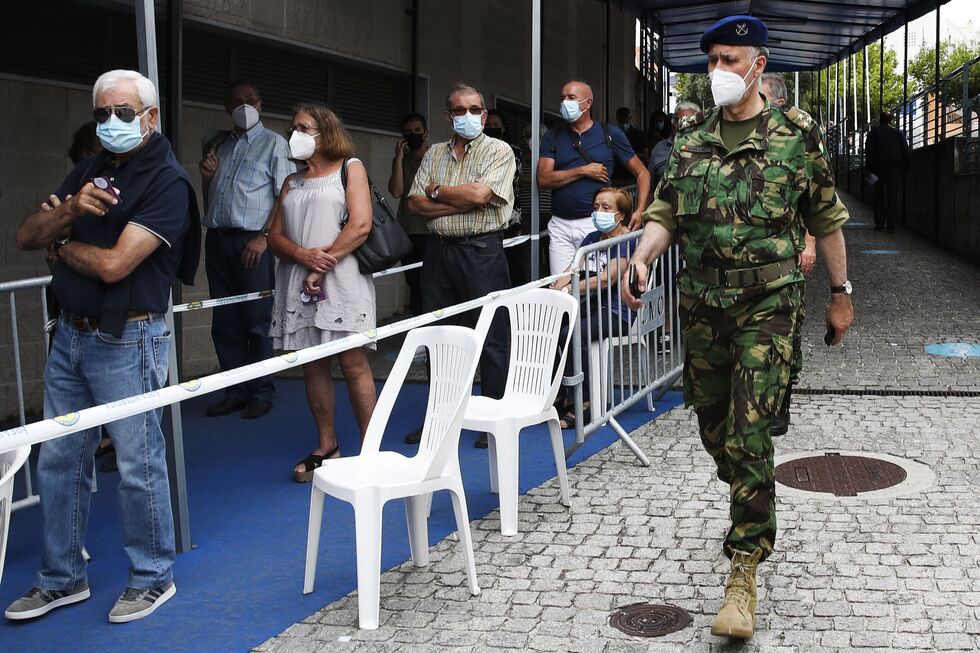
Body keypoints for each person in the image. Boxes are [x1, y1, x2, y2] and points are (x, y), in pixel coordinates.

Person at [622, 16, 855, 640]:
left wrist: (840, 293)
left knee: (750, 433)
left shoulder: (796, 135)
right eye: (712, 60)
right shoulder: (692, 138)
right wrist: (642, 256)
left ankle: (744, 567)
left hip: (768, 305)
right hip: (701, 307)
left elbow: (827, 218)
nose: (716, 71)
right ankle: (751, 494)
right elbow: (667, 209)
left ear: (758, 64)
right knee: (715, 428)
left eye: (728, 59)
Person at [6, 69, 200, 623]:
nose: (110, 123)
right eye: (101, 114)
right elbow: (26, 236)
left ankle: (151, 576)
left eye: (122, 112)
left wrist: (61, 239)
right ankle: (61, 577)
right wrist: (68, 214)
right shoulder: (91, 169)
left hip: (129, 338)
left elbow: (116, 264)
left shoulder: (167, 181)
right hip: (70, 335)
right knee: (61, 459)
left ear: (150, 116)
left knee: (139, 462)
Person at [266, 104, 378, 482]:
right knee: (313, 366)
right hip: (298, 283)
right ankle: (326, 444)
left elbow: (361, 226)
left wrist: (319, 262)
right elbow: (275, 236)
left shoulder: (350, 168)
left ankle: (371, 448)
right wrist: (302, 256)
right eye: (293, 126)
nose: (295, 133)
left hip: (341, 280)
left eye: (304, 127)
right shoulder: (291, 182)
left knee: (353, 363)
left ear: (325, 132)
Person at [407, 83, 516, 450]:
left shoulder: (498, 151)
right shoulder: (434, 153)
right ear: (447, 115)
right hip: (439, 253)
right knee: (440, 338)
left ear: (484, 115)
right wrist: (457, 202)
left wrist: (438, 192)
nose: (467, 116)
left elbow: (480, 195)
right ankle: (441, 419)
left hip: (481, 251)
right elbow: (414, 203)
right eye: (459, 110)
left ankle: (492, 420)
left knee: (491, 337)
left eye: (474, 109)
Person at [199, 81, 295, 420]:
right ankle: (235, 390)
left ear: (261, 102)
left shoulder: (274, 144)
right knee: (224, 321)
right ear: (227, 107)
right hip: (218, 238)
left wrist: (264, 237)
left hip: (252, 240)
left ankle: (262, 391)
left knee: (256, 319)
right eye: (237, 101)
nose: (244, 105)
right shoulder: (220, 145)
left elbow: (286, 194)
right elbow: (211, 196)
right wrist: (207, 177)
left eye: (250, 99)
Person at [537, 80, 650, 276]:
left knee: (595, 287)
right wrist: (583, 171)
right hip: (560, 225)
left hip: (596, 223)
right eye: (562, 98)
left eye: (571, 98)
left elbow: (642, 173)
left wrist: (639, 211)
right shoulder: (553, 136)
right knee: (561, 285)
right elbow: (543, 179)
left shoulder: (609, 134)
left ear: (588, 103)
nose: (565, 102)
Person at [549, 186, 634, 428]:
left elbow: (608, 278)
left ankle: (585, 402)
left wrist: (568, 290)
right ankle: (560, 395)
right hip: (590, 307)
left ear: (622, 215)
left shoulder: (626, 241)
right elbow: (572, 269)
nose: (599, 212)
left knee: (571, 335)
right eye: (596, 207)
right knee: (552, 328)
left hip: (616, 312)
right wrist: (556, 286)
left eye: (606, 208)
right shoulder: (592, 239)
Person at [761, 72, 817, 436]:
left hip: (790, 251)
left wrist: (810, 241)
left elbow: (818, 199)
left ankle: (782, 402)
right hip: (755, 258)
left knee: (787, 334)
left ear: (779, 101)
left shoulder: (800, 136)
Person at [388, 113, 431, 317]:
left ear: (426, 133)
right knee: (413, 283)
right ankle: (417, 326)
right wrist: (398, 158)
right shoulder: (402, 161)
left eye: (417, 131)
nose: (413, 135)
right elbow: (396, 191)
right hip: (407, 231)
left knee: (429, 283)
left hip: (430, 231)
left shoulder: (434, 156)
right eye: (408, 132)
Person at [864, 111, 910, 233]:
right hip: (894, 169)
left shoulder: (873, 134)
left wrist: (869, 169)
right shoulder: (898, 133)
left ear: (881, 119)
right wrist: (906, 168)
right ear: (891, 120)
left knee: (878, 195)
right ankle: (891, 225)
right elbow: (905, 151)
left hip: (878, 169)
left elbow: (869, 152)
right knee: (892, 196)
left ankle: (879, 223)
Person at [648, 101, 701, 191]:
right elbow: (650, 190)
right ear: (673, 123)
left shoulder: (710, 148)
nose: (684, 126)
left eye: (690, 121)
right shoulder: (659, 150)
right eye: (679, 121)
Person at [613, 106, 648, 182]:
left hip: (632, 174)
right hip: (617, 174)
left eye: (626, 122)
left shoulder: (638, 135)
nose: (623, 125)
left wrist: (631, 153)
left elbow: (645, 155)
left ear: (630, 118)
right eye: (621, 122)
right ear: (617, 118)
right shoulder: (612, 134)